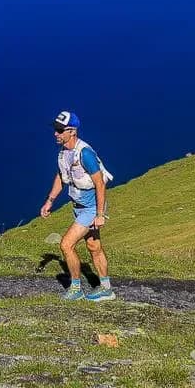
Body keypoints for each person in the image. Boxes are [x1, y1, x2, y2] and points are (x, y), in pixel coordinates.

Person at [39, 110, 115, 301]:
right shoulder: (64, 152)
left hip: (90, 208)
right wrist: (50, 201)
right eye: (55, 129)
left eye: (60, 130)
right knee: (93, 246)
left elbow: (100, 183)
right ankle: (106, 289)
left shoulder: (85, 154)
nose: (55, 134)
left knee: (66, 244)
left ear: (72, 131)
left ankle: (75, 288)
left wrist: (99, 214)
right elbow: (61, 176)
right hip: (79, 206)